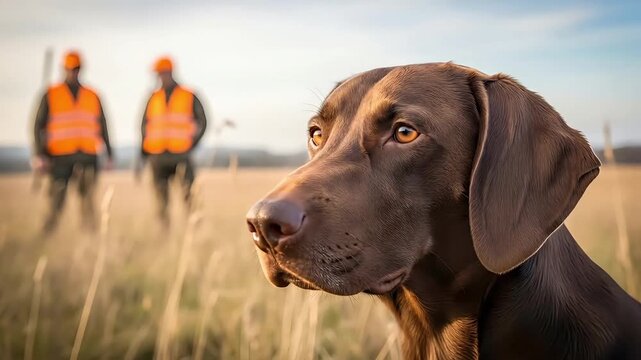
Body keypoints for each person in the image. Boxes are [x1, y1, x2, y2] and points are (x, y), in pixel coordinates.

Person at [33, 50, 113, 233]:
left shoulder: (92, 95)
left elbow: (103, 125)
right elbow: (38, 126)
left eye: (76, 69)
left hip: (87, 156)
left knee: (87, 203)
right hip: (59, 157)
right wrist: (39, 154)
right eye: (70, 69)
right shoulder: (51, 94)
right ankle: (46, 238)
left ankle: (89, 241)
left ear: (81, 69)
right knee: (55, 202)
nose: (73, 72)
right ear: (63, 69)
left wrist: (109, 153)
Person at [138, 57, 207, 222]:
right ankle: (164, 235)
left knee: (190, 197)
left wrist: (192, 144)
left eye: (163, 73)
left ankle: (194, 230)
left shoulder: (189, 95)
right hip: (157, 157)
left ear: (171, 73)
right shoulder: (153, 97)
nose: (160, 77)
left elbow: (203, 122)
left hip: (181, 155)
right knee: (161, 202)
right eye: (158, 74)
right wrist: (143, 155)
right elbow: (144, 126)